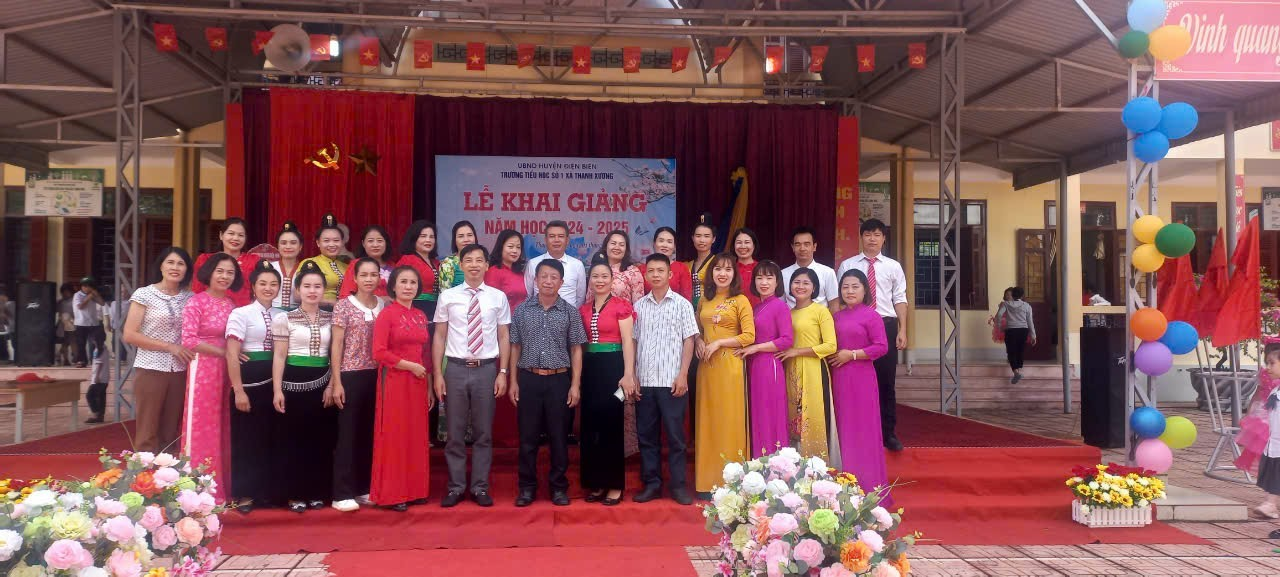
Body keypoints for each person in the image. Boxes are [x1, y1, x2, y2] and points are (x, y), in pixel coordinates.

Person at [433, 244, 512, 508]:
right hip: (455, 369)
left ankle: (479, 487)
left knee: (483, 433)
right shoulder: (448, 297)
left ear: (487, 265)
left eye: (480, 260)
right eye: (469, 260)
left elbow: (504, 336)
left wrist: (503, 372)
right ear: (461, 265)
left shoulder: (498, 297)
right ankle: (455, 487)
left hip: (486, 369)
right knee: (454, 434)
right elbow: (439, 336)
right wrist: (438, 373)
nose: (474, 265)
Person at [509, 258, 587, 507]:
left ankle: (558, 488)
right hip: (529, 379)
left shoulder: (570, 312)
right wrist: (513, 381)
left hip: (559, 381)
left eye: (554, 277)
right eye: (544, 276)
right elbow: (515, 347)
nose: (548, 281)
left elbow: (576, 349)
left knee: (559, 437)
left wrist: (575, 385)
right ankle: (527, 488)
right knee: (528, 438)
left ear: (561, 282)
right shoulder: (522, 310)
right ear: (535, 279)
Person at [271, 261, 338, 513]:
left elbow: (334, 355)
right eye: (307, 286)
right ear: (297, 290)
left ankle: (317, 491)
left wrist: (332, 384)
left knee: (319, 441)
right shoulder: (284, 318)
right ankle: (294, 494)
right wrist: (277, 390)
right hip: (292, 385)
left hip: (322, 384)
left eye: (317, 286)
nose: (312, 291)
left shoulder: (332, 318)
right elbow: (279, 356)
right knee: (293, 442)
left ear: (323, 290)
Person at [836, 219, 908, 452]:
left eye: (877, 234)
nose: (872, 239)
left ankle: (888, 433)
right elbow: (840, 298)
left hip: (885, 325)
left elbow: (900, 298)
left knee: (886, 382)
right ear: (861, 237)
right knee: (854, 382)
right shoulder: (848, 265)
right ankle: (856, 431)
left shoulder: (893, 266)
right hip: (855, 326)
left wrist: (902, 329)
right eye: (867, 234)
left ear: (884, 238)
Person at [632, 253, 698, 505]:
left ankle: (678, 486)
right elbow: (633, 342)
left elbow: (689, 340)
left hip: (673, 383)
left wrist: (683, 375)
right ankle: (652, 485)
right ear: (646, 275)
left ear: (670, 274)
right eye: (651, 271)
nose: (656, 275)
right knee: (647, 437)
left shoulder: (682, 305)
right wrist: (634, 375)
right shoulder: (638, 306)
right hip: (646, 382)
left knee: (676, 438)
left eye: (661, 270)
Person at [371, 266, 436, 512]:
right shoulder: (387, 315)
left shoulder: (420, 315)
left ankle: (415, 490)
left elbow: (426, 353)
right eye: (403, 282)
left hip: (418, 381)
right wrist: (410, 366)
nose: (408, 286)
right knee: (395, 435)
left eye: (413, 282)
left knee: (416, 435)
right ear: (394, 286)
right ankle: (393, 494)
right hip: (395, 379)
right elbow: (378, 352)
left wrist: (428, 384)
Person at [694, 253, 755, 495]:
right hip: (707, 367)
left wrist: (720, 343)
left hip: (730, 367)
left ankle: (733, 484)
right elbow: (697, 329)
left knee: (730, 420)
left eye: (728, 269)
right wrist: (699, 340)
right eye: (718, 269)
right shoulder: (704, 300)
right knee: (708, 420)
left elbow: (749, 336)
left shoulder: (741, 300)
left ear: (734, 274)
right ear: (711, 273)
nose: (722, 273)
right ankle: (706, 482)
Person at [826, 269, 891, 501]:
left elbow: (881, 346)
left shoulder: (872, 316)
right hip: (838, 377)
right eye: (845, 287)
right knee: (842, 429)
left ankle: (868, 488)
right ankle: (843, 489)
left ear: (865, 290)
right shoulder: (836, 317)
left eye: (855, 286)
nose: (850, 291)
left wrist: (852, 354)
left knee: (863, 430)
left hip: (861, 378)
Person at [225, 259, 283, 514]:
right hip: (249, 383)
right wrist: (238, 390)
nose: (268, 288)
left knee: (270, 438)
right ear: (253, 286)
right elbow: (232, 353)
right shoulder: (241, 314)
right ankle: (246, 493)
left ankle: (266, 492)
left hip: (276, 382)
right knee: (246, 440)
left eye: (273, 284)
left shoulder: (282, 315)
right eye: (263, 283)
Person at [329, 258, 387, 512]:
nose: (369, 279)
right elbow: (337, 345)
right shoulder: (343, 306)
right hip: (350, 374)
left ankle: (363, 488)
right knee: (348, 435)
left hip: (376, 375)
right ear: (355, 278)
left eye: (373, 275)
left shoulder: (382, 305)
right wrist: (336, 381)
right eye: (364, 275)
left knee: (369, 434)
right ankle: (342, 492)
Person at [579, 257, 638, 506]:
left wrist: (628, 373)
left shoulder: (621, 306)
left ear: (612, 280)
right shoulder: (584, 309)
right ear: (589, 281)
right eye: (595, 276)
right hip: (590, 368)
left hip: (614, 366)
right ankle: (596, 482)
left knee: (611, 424)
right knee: (591, 425)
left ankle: (614, 485)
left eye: (604, 276)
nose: (600, 280)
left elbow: (628, 342)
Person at [124, 248, 195, 453]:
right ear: (161, 266)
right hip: (151, 367)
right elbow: (129, 334)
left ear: (187, 270)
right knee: (148, 425)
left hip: (181, 369)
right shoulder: (144, 294)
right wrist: (169, 347)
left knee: (172, 427)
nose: (175, 267)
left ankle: (169, 470)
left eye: (180, 264)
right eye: (170, 262)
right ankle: (144, 469)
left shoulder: (191, 298)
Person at [181, 253, 240, 496]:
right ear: (209, 273)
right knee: (203, 424)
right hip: (203, 368)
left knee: (223, 423)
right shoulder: (196, 302)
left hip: (228, 369)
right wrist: (223, 353)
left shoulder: (231, 304)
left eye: (230, 273)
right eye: (220, 271)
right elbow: (189, 340)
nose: (225, 276)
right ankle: (197, 489)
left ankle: (222, 486)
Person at [735, 261, 793, 457]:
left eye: (769, 278)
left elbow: (786, 340)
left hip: (769, 364)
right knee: (758, 413)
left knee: (770, 413)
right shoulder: (756, 307)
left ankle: (775, 461)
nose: (764, 282)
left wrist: (756, 348)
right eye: (759, 278)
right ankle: (758, 460)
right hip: (754, 365)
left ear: (777, 282)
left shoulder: (780, 306)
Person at [780, 268, 838, 457]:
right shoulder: (787, 313)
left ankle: (816, 461)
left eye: (806, 283)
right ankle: (793, 462)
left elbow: (830, 346)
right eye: (796, 282)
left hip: (814, 369)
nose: (800, 286)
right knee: (793, 415)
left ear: (814, 288)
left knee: (812, 415)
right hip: (790, 369)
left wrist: (797, 351)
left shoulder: (821, 311)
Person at [484, 229, 526, 448]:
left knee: (517, 380)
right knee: (503, 377)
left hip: (522, 333)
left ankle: (518, 432)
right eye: (510, 246)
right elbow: (490, 306)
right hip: (501, 332)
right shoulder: (494, 272)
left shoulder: (521, 273)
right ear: (500, 247)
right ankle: (501, 434)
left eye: (518, 247)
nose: (515, 250)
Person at [192, 218, 261, 307]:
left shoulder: (254, 260)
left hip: (243, 311)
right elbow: (197, 290)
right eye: (231, 233)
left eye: (241, 235)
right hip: (210, 311)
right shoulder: (205, 259)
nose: (235, 238)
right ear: (221, 235)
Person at [524, 220, 587, 308]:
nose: (556, 240)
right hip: (538, 315)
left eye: (561, 236)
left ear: (567, 240)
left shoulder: (577, 265)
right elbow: (528, 295)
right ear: (545, 240)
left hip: (568, 315)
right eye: (552, 236)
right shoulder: (533, 264)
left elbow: (580, 298)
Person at [1251, 344, 1280, 520]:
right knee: (1273, 473)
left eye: (1272, 363)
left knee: (1276, 474)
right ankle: (1271, 504)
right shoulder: (1275, 391)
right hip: (1274, 442)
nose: (1268, 367)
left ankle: (1270, 504)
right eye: (1267, 363)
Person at [298, 213, 349, 309]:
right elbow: (297, 294)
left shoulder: (346, 266)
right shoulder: (309, 263)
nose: (332, 244)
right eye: (326, 241)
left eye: (336, 240)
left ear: (342, 242)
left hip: (342, 313)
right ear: (318, 243)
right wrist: (330, 303)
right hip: (317, 311)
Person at [783, 226, 838, 308]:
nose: (802, 248)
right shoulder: (783, 274)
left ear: (814, 247)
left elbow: (834, 305)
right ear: (793, 247)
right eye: (798, 244)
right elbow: (780, 304)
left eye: (806, 244)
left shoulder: (827, 273)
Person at [396, 220, 441, 320]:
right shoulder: (407, 260)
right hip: (414, 307)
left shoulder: (436, 263)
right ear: (414, 238)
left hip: (436, 309)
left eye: (431, 237)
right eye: (423, 236)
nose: (428, 240)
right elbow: (397, 288)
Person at [338, 226, 395, 300]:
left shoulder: (393, 265)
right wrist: (379, 300)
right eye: (370, 241)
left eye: (380, 241)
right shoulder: (356, 264)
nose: (375, 245)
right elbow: (345, 296)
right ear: (363, 243)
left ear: (386, 243)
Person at [996, 287, 1037, 384]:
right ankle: (1018, 370)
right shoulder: (1027, 306)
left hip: (1010, 330)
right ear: (1022, 296)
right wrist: (1033, 335)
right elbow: (1030, 321)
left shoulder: (1006, 304)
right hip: (1023, 331)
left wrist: (1000, 326)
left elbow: (999, 315)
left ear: (1012, 295)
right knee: (1020, 350)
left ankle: (1016, 372)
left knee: (1011, 351)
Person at [644, 227, 692, 300]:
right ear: (654, 243)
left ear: (674, 246)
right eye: (661, 241)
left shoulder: (682, 268)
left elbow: (686, 298)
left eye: (669, 242)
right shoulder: (642, 269)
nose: (665, 245)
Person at [598, 230, 644, 303]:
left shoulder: (633, 272)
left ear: (626, 249)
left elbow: (638, 304)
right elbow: (589, 301)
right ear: (606, 246)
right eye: (613, 243)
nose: (617, 247)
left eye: (621, 245)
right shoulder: (597, 268)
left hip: (624, 310)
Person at [72, 277, 106, 369]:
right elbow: (80, 306)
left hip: (93, 322)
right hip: (81, 322)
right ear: (83, 287)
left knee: (97, 342)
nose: (89, 288)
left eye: (91, 286)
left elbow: (102, 303)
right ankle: (81, 361)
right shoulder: (77, 295)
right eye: (87, 286)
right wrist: (89, 297)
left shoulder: (92, 295)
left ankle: (96, 359)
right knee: (81, 343)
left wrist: (97, 295)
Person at [437, 221, 479, 291]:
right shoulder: (448, 262)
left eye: (469, 235)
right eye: (461, 236)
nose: (466, 240)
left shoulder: (483, 260)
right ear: (455, 240)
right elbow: (444, 293)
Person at [271, 221, 303, 309]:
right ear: (277, 246)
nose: (288, 247)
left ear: (300, 246)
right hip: (272, 312)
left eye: (293, 243)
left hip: (298, 313)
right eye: (283, 243)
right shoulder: (270, 268)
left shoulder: (305, 268)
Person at [688, 214, 716, 309]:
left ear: (713, 239)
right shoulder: (687, 265)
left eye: (707, 236)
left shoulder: (718, 263)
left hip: (711, 308)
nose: (702, 240)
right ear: (693, 238)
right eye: (698, 236)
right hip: (689, 309)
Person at [731, 228, 762, 307]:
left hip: (759, 312)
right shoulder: (729, 269)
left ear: (754, 245)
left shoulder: (762, 268)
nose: (743, 246)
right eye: (739, 242)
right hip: (733, 312)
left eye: (747, 242)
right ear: (734, 245)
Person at [56, 283, 77, 366]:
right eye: (63, 292)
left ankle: (75, 358)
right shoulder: (60, 302)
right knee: (65, 342)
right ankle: (65, 359)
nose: (64, 294)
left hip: (72, 324)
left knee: (73, 342)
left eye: (66, 292)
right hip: (63, 325)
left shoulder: (75, 301)